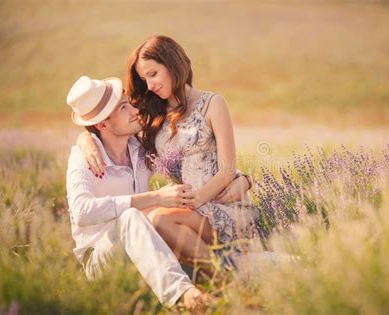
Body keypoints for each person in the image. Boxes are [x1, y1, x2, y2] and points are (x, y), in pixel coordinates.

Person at [78, 35, 258, 266]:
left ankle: (225, 281)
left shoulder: (214, 104)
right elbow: (110, 123)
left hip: (223, 207)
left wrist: (243, 180)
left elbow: (226, 170)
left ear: (172, 63)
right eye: (144, 79)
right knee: (156, 220)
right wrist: (86, 138)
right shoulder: (152, 116)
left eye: (153, 74)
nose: (150, 85)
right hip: (184, 211)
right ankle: (222, 280)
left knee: (160, 219)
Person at [66, 75, 208, 309]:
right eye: (124, 108)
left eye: (128, 102)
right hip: (100, 260)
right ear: (102, 125)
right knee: (132, 217)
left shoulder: (140, 149)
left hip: (146, 251)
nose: (134, 110)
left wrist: (239, 177)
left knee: (174, 226)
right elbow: (82, 212)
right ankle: (185, 298)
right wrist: (155, 197)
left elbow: (193, 163)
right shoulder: (84, 158)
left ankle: (237, 275)